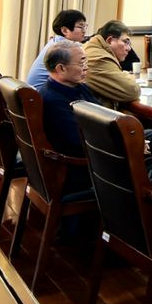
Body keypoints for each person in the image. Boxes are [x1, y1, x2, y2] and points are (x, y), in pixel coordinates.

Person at [37, 41, 98, 193]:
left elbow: (101, 113)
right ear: (61, 68)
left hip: (97, 147)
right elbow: (77, 143)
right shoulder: (52, 100)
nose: (86, 67)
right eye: (81, 63)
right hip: (83, 167)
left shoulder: (77, 86)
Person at [25, 9, 88, 89]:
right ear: (65, 30)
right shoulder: (63, 48)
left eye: (85, 27)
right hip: (43, 93)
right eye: (80, 27)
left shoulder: (56, 41)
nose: (84, 31)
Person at [82, 20, 138, 109]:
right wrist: (129, 76)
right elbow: (132, 91)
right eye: (125, 42)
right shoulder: (99, 58)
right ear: (110, 40)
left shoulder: (93, 48)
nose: (129, 48)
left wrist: (123, 75)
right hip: (99, 115)